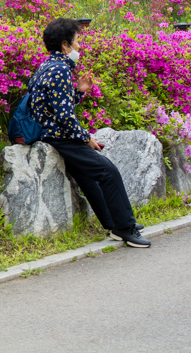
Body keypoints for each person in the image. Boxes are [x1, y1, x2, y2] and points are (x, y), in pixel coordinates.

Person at [29, 18, 151, 248]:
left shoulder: (47, 66)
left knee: (87, 176)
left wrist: (79, 91)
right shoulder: (60, 70)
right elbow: (64, 117)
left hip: (50, 134)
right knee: (108, 172)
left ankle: (114, 223)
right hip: (58, 136)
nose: (79, 46)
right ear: (65, 45)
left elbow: (55, 105)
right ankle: (125, 228)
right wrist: (86, 138)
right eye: (76, 41)